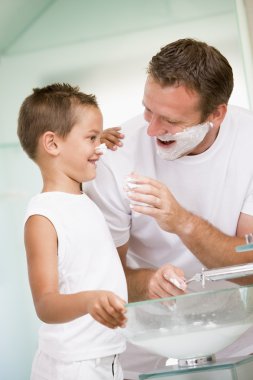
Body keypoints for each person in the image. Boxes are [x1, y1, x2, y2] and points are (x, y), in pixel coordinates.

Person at [86, 38, 253, 379]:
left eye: (171, 120)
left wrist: (182, 222)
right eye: (148, 109)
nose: (151, 129)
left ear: (217, 114)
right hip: (150, 350)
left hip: (240, 344)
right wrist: (147, 282)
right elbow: (104, 276)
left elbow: (249, 270)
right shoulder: (118, 155)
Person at [17, 83, 129, 380]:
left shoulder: (81, 197)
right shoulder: (43, 217)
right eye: (91, 138)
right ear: (52, 144)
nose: (99, 148)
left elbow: (74, 158)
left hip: (109, 359)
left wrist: (90, 141)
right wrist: (88, 301)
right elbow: (45, 304)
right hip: (73, 367)